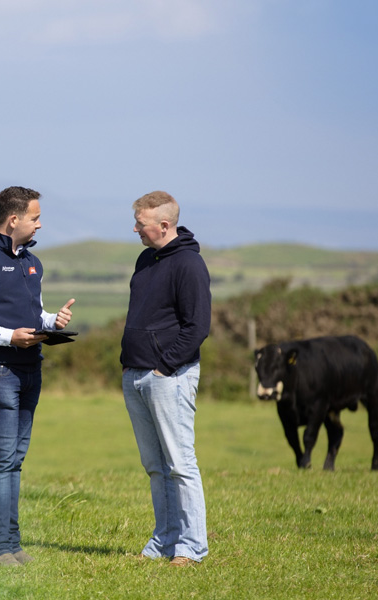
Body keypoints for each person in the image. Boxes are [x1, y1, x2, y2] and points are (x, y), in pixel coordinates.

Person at [0, 186, 75, 567]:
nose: (40, 223)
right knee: (1, 458)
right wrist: (8, 338)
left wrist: (52, 322)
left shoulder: (32, 262)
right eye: (35, 217)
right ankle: (1, 549)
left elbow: (31, 314)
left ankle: (14, 546)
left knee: (15, 460)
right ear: (14, 219)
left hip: (28, 367)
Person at [120, 191, 211, 567]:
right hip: (136, 375)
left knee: (179, 463)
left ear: (164, 225)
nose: (136, 230)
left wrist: (164, 366)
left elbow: (197, 327)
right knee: (155, 466)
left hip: (168, 377)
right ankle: (163, 541)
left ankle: (191, 547)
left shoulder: (189, 264)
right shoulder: (145, 259)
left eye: (140, 224)